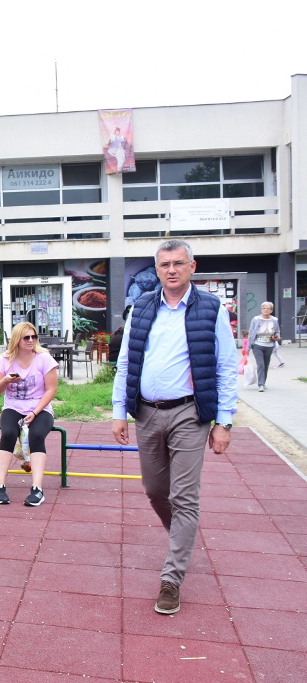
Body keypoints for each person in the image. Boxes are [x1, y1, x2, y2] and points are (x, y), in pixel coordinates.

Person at [112, 239, 238, 615]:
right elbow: (126, 362)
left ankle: (172, 578)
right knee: (154, 490)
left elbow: (226, 366)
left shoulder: (212, 309)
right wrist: (119, 410)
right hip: (146, 412)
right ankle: (181, 539)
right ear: (157, 268)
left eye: (178, 263)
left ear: (192, 267)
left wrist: (224, 422)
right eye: (164, 264)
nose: (171, 270)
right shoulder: (142, 307)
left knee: (185, 497)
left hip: (189, 413)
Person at [0, 321, 59, 506]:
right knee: (8, 434)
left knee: (37, 435)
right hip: (13, 407)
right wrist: (5, 380)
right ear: (17, 340)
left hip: (40, 408)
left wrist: (35, 412)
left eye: (34, 337)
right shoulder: (5, 359)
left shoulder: (44, 358)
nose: (31, 340)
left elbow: (51, 390)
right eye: (26, 337)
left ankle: (37, 489)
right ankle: (0, 485)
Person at [248, 301, 281, 391]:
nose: (265, 310)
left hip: (269, 345)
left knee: (266, 365)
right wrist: (248, 347)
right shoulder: (256, 319)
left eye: (268, 308)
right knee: (261, 364)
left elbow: (277, 331)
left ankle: (263, 382)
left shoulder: (274, 320)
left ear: (271, 310)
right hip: (257, 345)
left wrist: (277, 337)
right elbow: (251, 333)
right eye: (264, 308)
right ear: (261, 309)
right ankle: (261, 385)